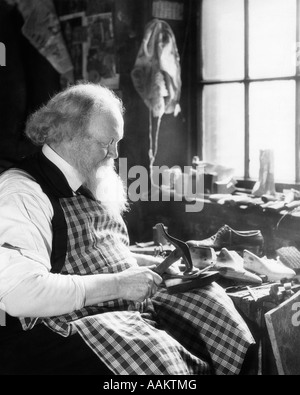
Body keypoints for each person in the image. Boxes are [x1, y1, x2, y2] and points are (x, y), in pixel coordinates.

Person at [0, 82, 255, 375]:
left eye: (116, 142)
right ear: (68, 135)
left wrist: (150, 264)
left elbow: (95, 250)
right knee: (159, 358)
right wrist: (120, 284)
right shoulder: (22, 192)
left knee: (214, 309)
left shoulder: (87, 176)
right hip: (64, 322)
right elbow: (20, 292)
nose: (114, 153)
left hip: (123, 302)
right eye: (106, 143)